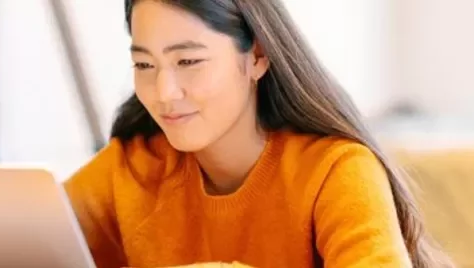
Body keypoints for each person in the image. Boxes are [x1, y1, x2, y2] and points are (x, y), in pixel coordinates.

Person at [63, 0, 452, 267]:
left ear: (257, 56)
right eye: (145, 65)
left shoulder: (336, 170)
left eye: (188, 61)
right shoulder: (129, 168)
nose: (164, 92)